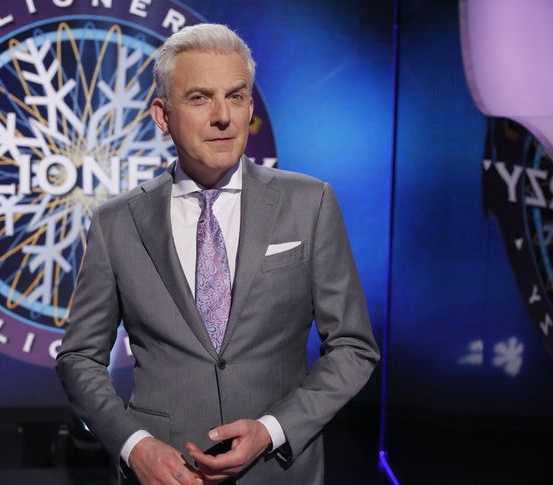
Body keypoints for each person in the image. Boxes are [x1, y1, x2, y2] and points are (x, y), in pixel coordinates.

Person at [56, 23, 380, 485]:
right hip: (165, 474)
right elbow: (79, 358)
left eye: (236, 96)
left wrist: (272, 430)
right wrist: (136, 446)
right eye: (200, 98)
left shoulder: (310, 203)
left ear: (250, 107)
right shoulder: (117, 222)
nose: (223, 116)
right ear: (162, 115)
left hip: (278, 470)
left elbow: (353, 347)